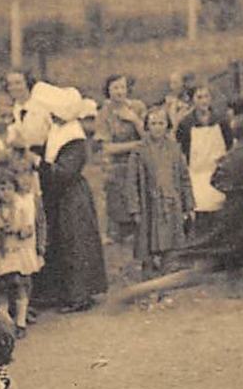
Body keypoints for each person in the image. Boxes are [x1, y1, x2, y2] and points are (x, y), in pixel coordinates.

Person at [31, 83, 108, 312]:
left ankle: (78, 295)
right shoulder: (57, 131)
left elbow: (64, 173)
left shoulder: (74, 138)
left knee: (73, 243)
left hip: (71, 195)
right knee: (58, 242)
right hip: (58, 195)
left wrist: (38, 164)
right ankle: (58, 293)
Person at [127, 105, 195, 279]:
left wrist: (189, 204)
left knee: (172, 240)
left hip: (171, 202)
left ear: (167, 125)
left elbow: (184, 177)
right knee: (147, 239)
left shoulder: (174, 148)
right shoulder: (139, 150)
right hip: (149, 203)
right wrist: (135, 208)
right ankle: (148, 273)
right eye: (153, 123)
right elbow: (132, 182)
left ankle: (168, 272)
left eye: (161, 123)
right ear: (147, 126)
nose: (157, 127)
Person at [0, 165, 42, 335]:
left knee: (19, 284)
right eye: (2, 189)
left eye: (10, 188)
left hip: (17, 251)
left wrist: (19, 230)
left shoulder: (21, 207)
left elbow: (29, 228)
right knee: (2, 288)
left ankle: (21, 321)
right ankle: (6, 320)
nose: (6, 193)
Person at [96, 74, 147, 244]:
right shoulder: (104, 114)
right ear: (108, 91)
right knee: (115, 196)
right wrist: (135, 145)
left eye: (122, 87)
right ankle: (115, 233)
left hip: (139, 162)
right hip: (117, 165)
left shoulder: (138, 107)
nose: (119, 92)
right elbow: (107, 147)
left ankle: (143, 231)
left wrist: (135, 120)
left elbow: (150, 138)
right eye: (115, 88)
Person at [175, 86, 233, 226]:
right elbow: (181, 148)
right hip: (196, 173)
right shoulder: (186, 123)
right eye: (199, 97)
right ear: (192, 100)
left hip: (218, 173)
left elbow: (229, 144)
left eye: (206, 96)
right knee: (200, 209)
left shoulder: (221, 120)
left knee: (219, 210)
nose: (203, 101)